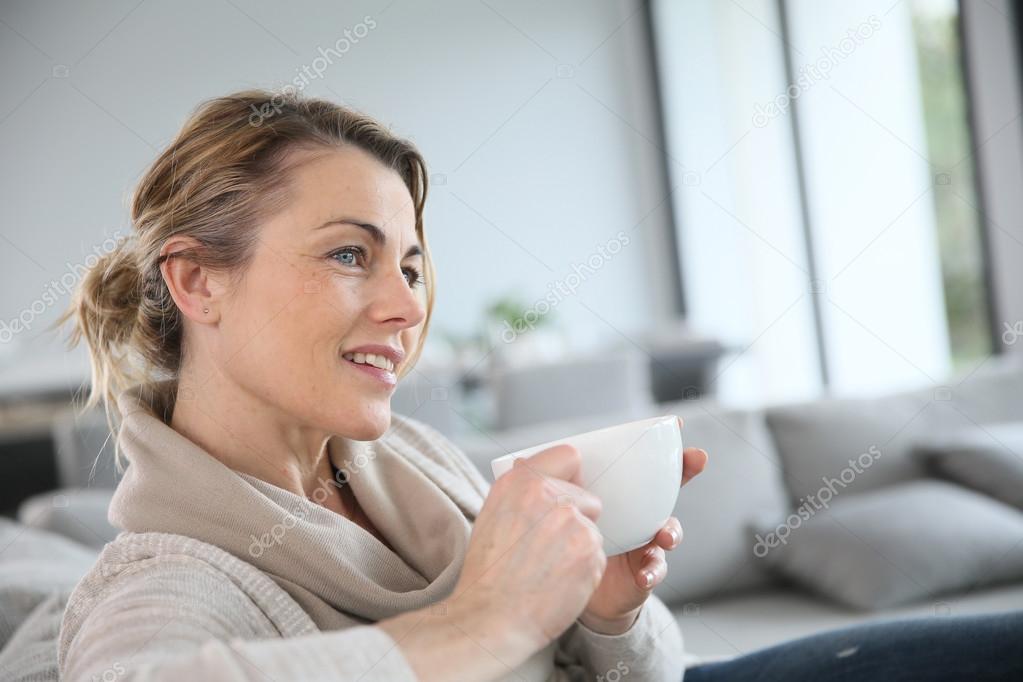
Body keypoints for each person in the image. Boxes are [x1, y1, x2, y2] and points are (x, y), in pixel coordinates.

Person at [56, 88, 706, 682]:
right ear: (198, 282)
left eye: (410, 269)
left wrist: (605, 617)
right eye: (348, 255)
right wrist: (479, 624)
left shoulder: (420, 457)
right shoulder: (166, 579)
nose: (410, 306)